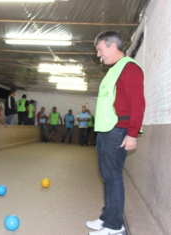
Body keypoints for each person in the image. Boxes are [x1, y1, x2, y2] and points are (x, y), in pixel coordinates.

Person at [86, 31, 145, 235]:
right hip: (106, 130)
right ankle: (107, 218)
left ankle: (114, 226)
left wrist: (133, 133)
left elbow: (137, 102)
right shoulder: (113, 70)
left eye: (100, 49)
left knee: (112, 175)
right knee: (107, 175)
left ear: (112, 46)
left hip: (119, 130)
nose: (98, 54)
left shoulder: (130, 68)